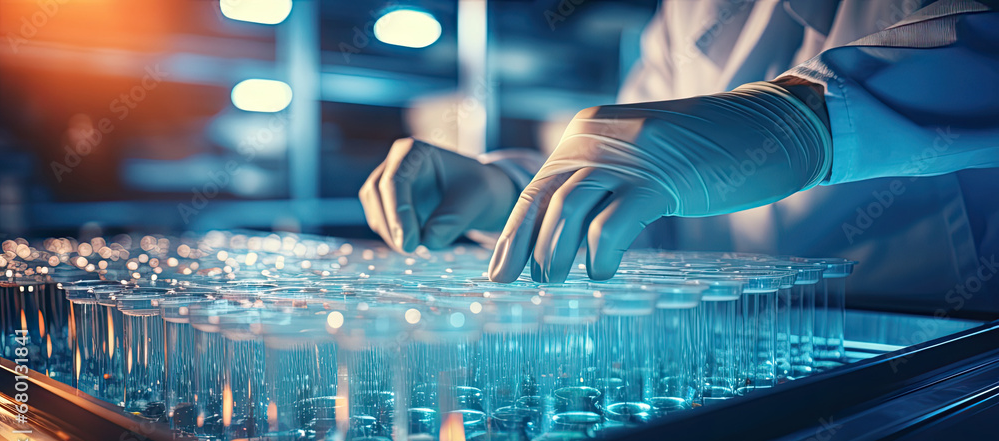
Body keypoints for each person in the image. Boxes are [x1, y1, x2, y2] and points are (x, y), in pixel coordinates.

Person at [359, 0, 999, 312]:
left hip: (940, 374)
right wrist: (505, 190)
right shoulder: (688, 11)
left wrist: (806, 119)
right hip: (736, 367)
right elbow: (643, 195)